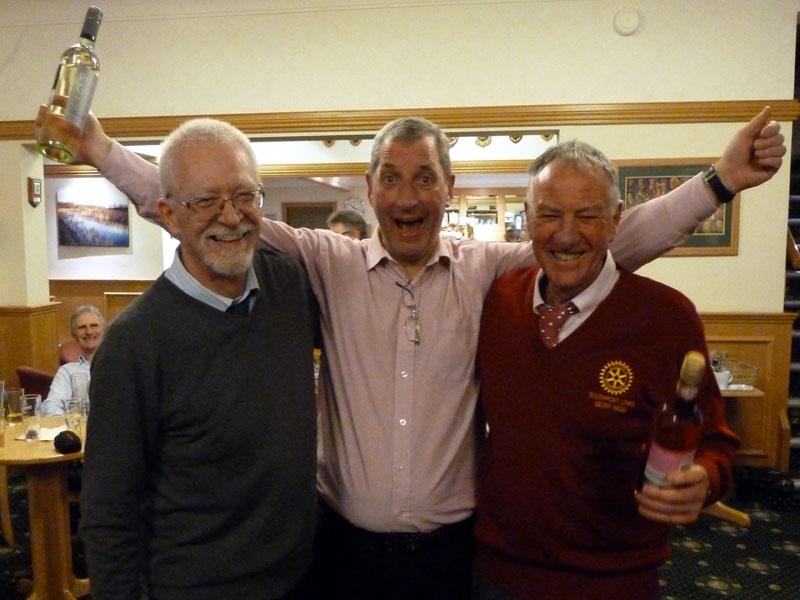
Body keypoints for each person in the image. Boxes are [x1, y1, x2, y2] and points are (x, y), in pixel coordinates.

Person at [48, 107, 784, 599]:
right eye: (391, 179)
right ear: (369, 190)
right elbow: (198, 206)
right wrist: (100, 150)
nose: (407, 195)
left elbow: (601, 244)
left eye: (424, 177)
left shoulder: (491, 271)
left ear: (448, 188)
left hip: (455, 557)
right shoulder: (320, 262)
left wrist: (717, 184)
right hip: (338, 552)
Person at [473, 140, 741, 600]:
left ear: (617, 220)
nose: (566, 234)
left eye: (588, 215)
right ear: (528, 219)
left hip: (612, 581)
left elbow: (716, 442)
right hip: (496, 573)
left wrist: (706, 480)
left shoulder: (666, 317)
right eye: (550, 214)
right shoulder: (497, 301)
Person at [79, 118, 319, 599]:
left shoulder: (289, 287)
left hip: (306, 579)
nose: (230, 216)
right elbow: (109, 516)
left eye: (245, 196)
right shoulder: (133, 345)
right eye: (206, 201)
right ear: (169, 215)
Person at [40, 304, 104, 416]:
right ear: (74, 335)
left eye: (94, 326)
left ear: (103, 330)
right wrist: (68, 425)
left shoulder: (119, 366)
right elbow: (51, 405)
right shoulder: (67, 371)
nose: (89, 332)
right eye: (82, 327)